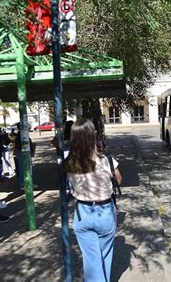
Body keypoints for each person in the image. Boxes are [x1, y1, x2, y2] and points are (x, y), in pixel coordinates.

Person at [64, 118, 122, 281]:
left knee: (91, 260)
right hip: (105, 211)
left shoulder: (70, 162)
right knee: (105, 254)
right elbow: (119, 179)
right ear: (93, 135)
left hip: (82, 212)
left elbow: (70, 184)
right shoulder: (107, 160)